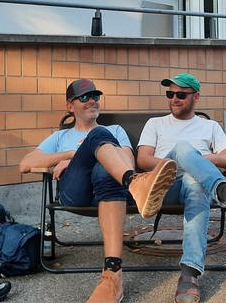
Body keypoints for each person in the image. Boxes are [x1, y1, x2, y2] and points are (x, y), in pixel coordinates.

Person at [19, 79, 177, 303]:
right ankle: (137, 184)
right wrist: (73, 155)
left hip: (110, 187)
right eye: (84, 97)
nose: (92, 100)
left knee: (104, 164)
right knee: (96, 137)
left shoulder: (115, 130)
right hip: (77, 193)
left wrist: (94, 152)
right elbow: (25, 164)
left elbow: (127, 161)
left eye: (95, 96)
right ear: (70, 106)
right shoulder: (61, 137)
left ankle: (112, 275)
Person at [136, 73, 226, 303]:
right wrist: (183, 159)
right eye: (170, 94)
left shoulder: (210, 126)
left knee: (195, 183)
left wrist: (197, 162)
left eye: (181, 94)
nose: (174, 98)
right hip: (162, 187)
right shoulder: (155, 124)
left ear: (196, 97)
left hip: (196, 185)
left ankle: (190, 273)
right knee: (183, 149)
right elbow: (143, 160)